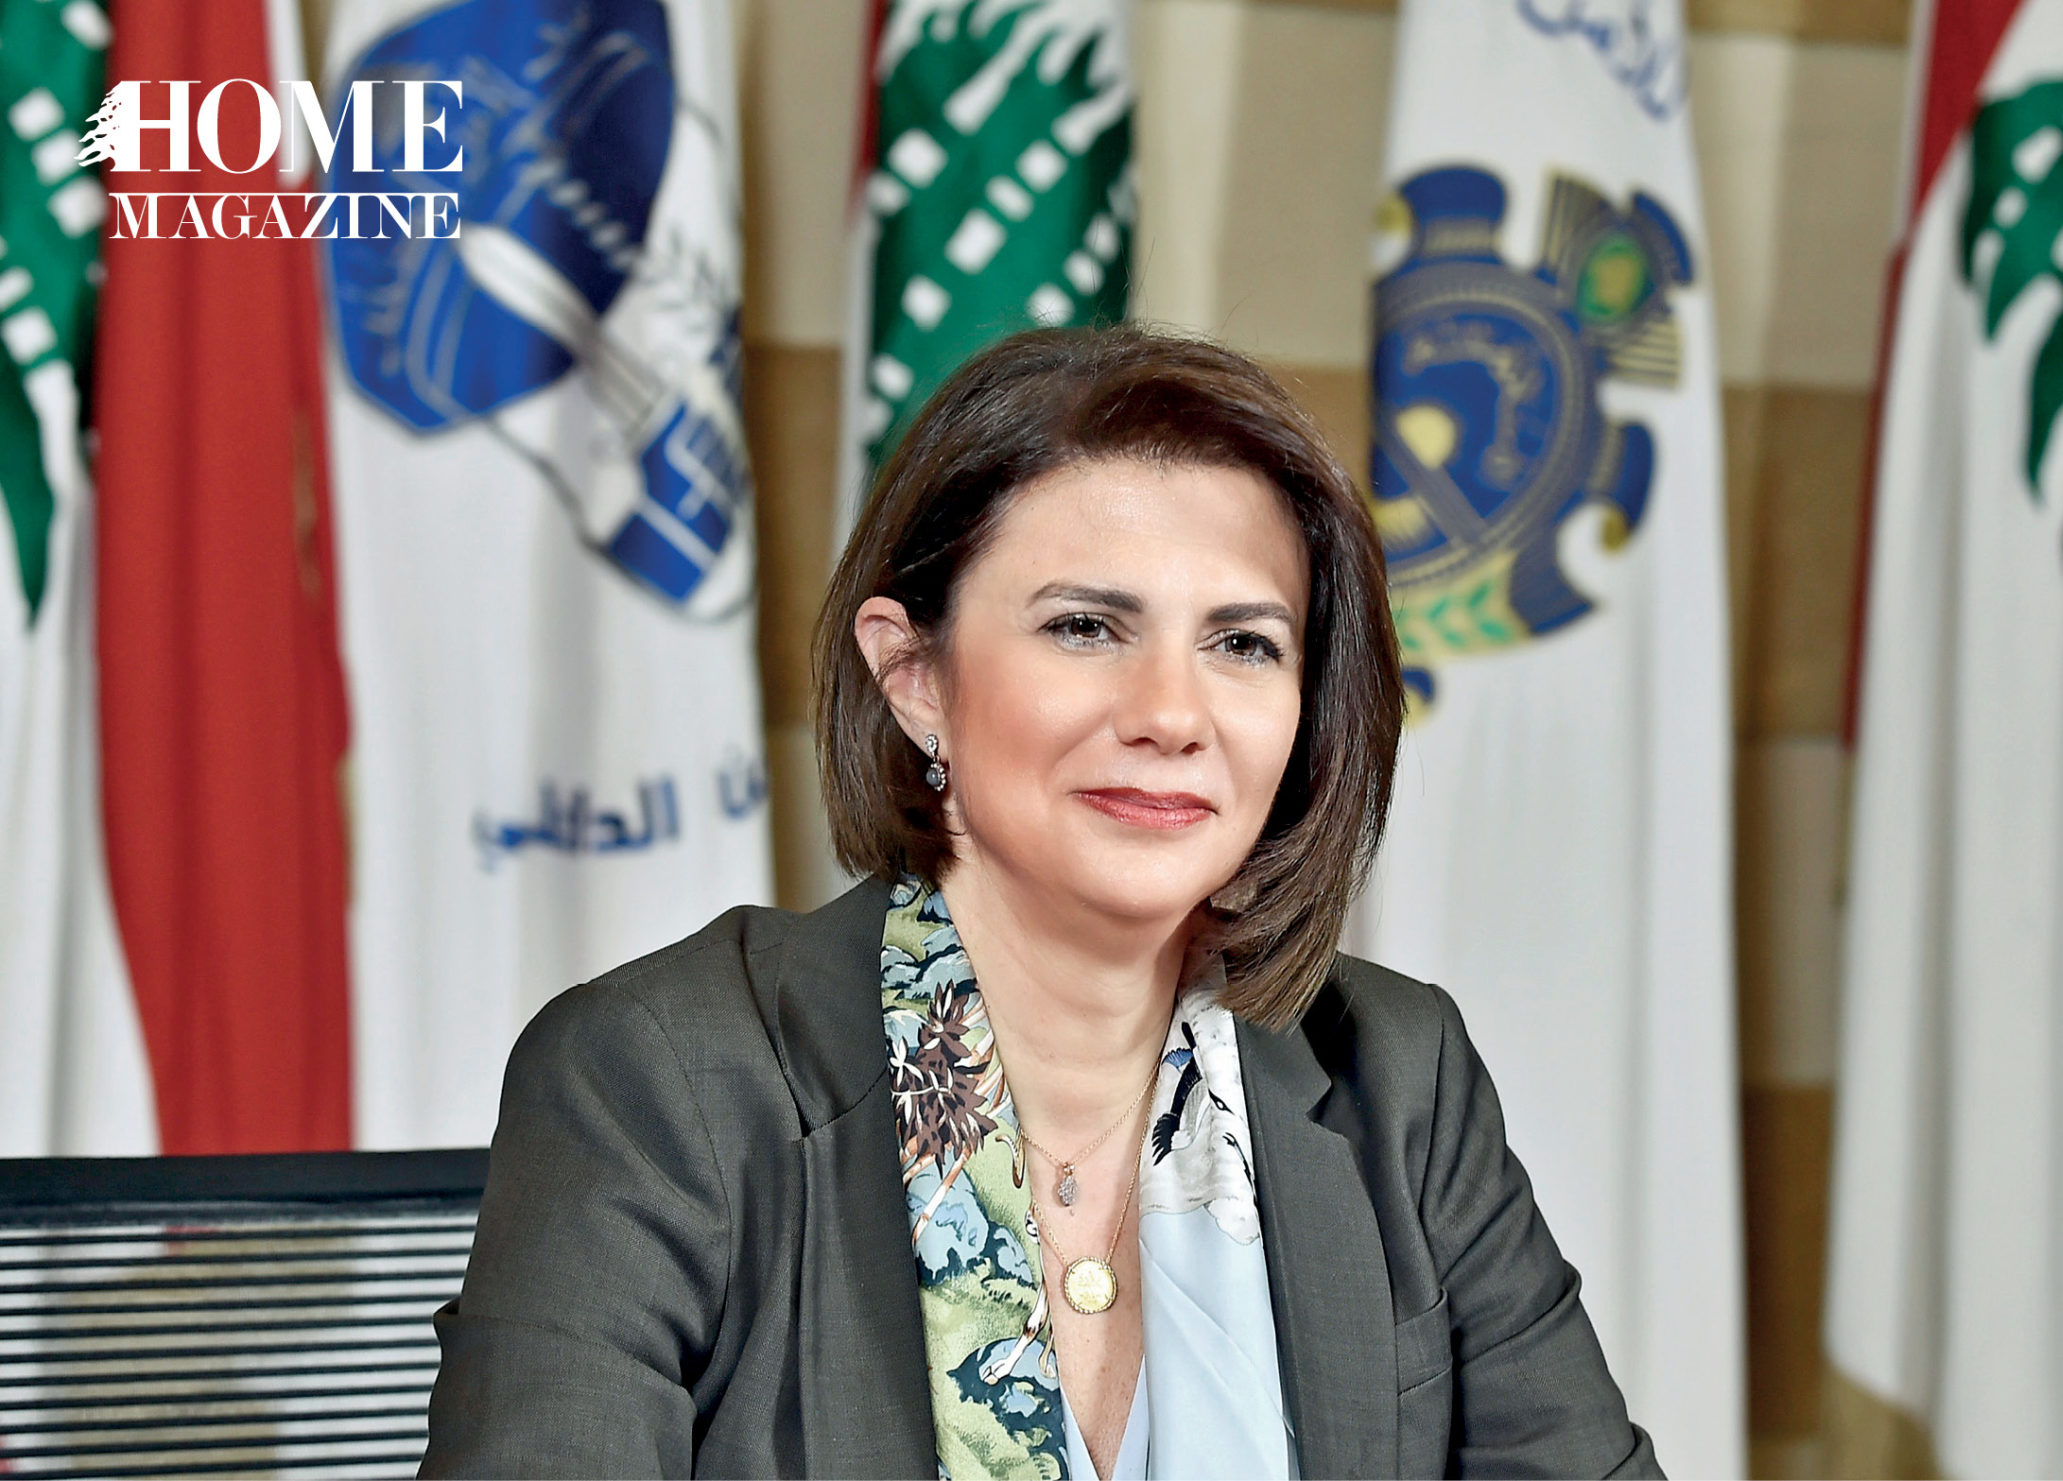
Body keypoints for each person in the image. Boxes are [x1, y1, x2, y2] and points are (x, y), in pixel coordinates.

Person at [420, 325, 1660, 1479]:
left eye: (1242, 643)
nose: (1172, 715)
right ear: (914, 678)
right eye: (1085, 626)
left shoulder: (1400, 1075)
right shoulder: (660, 1081)